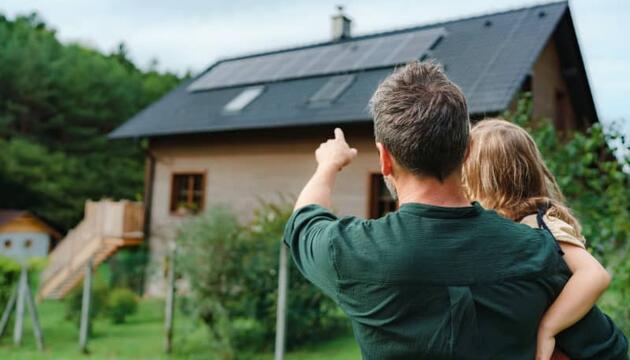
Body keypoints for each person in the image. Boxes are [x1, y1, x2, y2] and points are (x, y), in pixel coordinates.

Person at [283, 61, 628, 359]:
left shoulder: (350, 252)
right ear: (465, 151)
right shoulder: (536, 251)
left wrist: (328, 164)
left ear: (385, 159)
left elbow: (304, 220)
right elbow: (610, 350)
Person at [462, 119, 613, 360]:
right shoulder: (506, 227)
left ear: (483, 180)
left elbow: (595, 275)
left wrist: (547, 329)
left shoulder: (541, 223)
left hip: (592, 351)